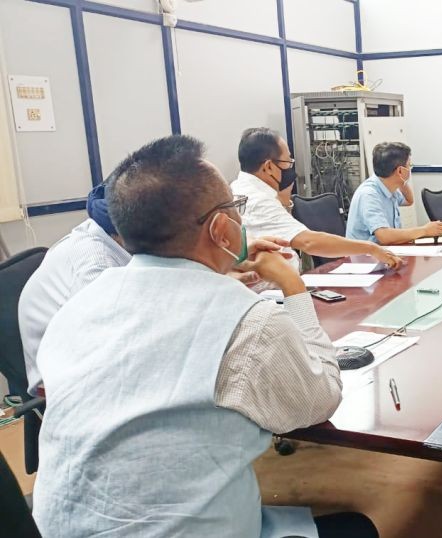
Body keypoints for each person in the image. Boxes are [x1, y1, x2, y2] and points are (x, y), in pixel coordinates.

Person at [31, 135, 378, 538]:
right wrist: (293, 286)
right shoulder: (249, 322)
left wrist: (226, 262)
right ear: (221, 228)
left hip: (58, 528)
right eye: (235, 208)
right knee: (358, 528)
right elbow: (321, 399)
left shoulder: (77, 307)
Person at [231, 127, 402, 272]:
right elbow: (309, 242)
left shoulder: (241, 188)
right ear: (269, 167)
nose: (291, 168)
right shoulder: (258, 200)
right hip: (274, 292)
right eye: (288, 162)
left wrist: (283, 200)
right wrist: (370, 248)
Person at [18, 181, 130, 396]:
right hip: (64, 382)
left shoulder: (109, 235)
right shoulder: (96, 264)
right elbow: (110, 346)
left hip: (92, 360)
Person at [345, 142, 442, 244]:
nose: (410, 169)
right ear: (400, 171)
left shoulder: (387, 185)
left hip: (385, 249)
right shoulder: (369, 195)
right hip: (366, 254)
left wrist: (401, 180)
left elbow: (409, 200)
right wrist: (424, 230)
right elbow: (384, 236)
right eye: (409, 165)